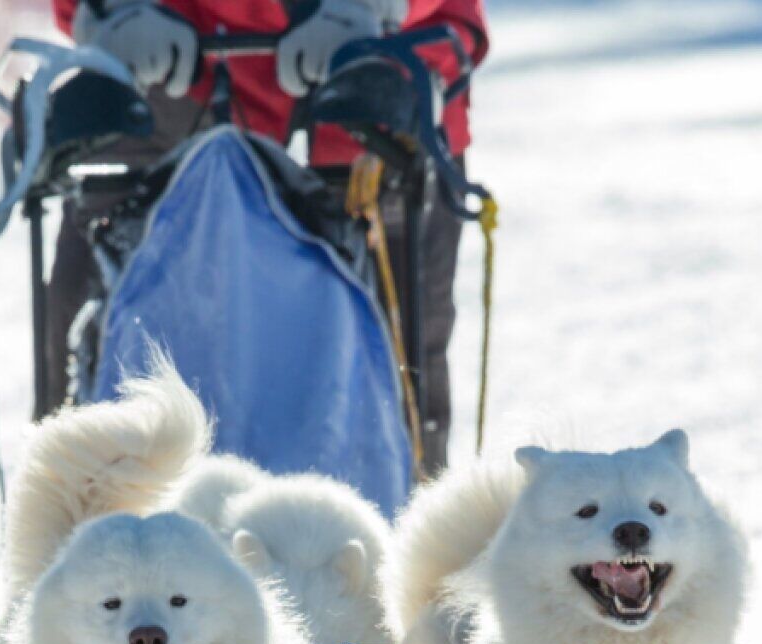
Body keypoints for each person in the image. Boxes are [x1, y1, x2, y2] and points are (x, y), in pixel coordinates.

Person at [46, 0, 488, 473]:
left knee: (394, 366)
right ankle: (72, 515)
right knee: (94, 324)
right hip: (171, 75)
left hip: (368, 79)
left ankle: (405, 517)